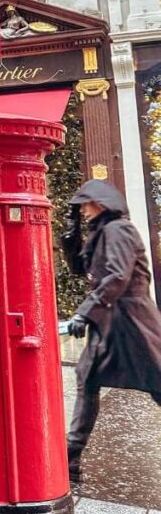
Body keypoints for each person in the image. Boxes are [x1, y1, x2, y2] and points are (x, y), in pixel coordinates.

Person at [62, 179, 161, 479]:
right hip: (111, 317)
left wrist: (84, 313)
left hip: (131, 321)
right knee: (87, 378)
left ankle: (71, 454)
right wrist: (71, 235)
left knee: (158, 382)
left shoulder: (119, 230)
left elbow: (117, 276)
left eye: (87, 205)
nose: (84, 211)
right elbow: (81, 269)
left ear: (101, 204)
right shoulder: (102, 232)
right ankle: (71, 456)